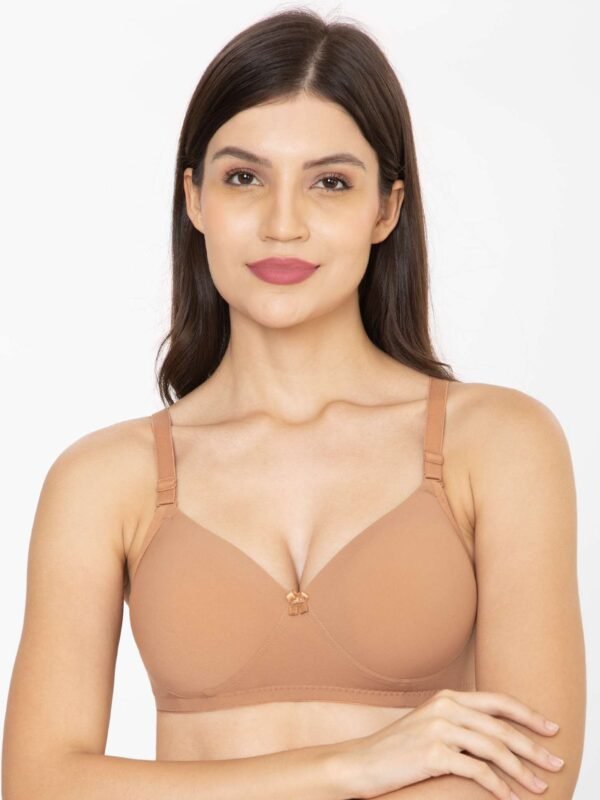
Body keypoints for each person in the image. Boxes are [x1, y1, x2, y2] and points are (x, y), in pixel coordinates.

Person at [2, 7, 585, 800]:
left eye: (330, 183)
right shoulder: (105, 479)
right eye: (244, 178)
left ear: (386, 208)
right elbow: (38, 782)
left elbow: (533, 775)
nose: (283, 225)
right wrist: (354, 765)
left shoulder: (499, 443)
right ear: (194, 199)